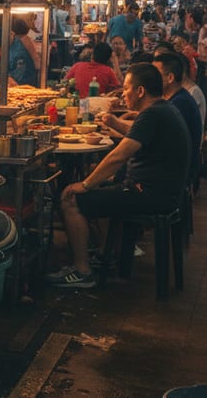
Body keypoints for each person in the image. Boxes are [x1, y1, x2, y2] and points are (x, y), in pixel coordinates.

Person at [52, 63, 191, 289]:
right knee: (104, 187)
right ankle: (106, 256)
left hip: (149, 195)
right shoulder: (162, 109)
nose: (123, 93)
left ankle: (82, 271)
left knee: (71, 199)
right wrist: (114, 124)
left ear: (140, 91)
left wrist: (85, 184)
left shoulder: (153, 115)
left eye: (126, 88)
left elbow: (118, 157)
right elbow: (136, 134)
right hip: (160, 191)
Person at [152, 51, 202, 185]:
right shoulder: (174, 99)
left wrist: (115, 123)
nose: (151, 79)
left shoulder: (180, 103)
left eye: (155, 75)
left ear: (170, 78)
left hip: (176, 178)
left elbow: (153, 133)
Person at [7, 18, 40, 86]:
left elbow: (35, 58)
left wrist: (39, 74)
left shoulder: (24, 40)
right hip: (16, 77)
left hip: (24, 78)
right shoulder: (16, 40)